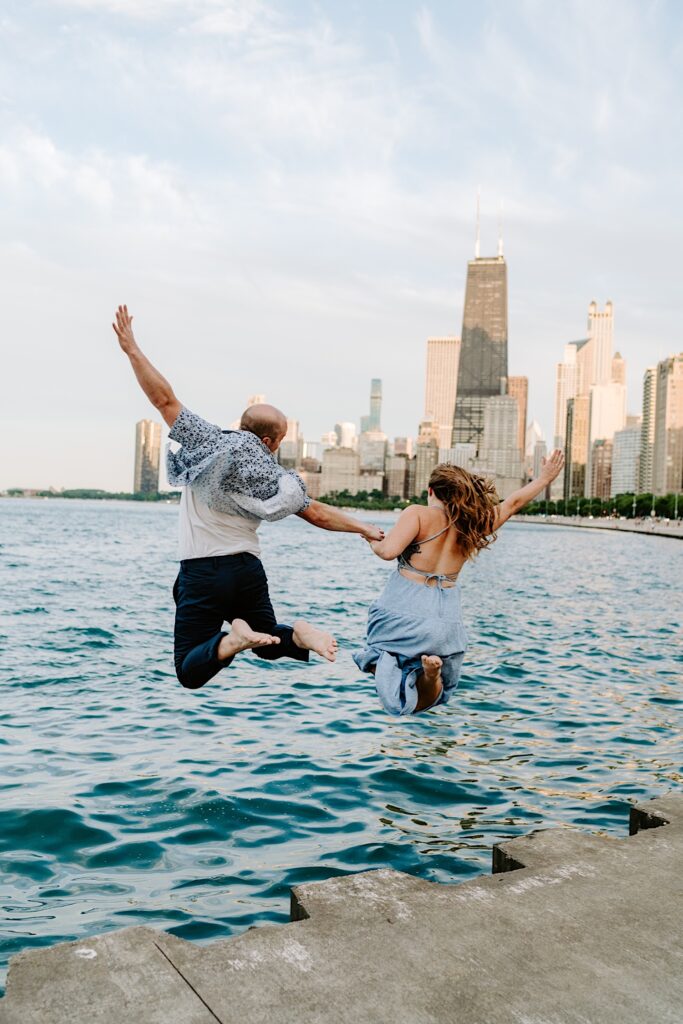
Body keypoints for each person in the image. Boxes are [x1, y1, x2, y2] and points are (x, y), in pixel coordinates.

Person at [112, 305, 383, 690]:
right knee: (269, 640)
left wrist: (132, 350)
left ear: (243, 426)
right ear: (271, 441)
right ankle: (301, 635)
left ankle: (231, 640)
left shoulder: (210, 443)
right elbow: (316, 513)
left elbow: (164, 400)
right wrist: (366, 528)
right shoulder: (275, 477)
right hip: (247, 569)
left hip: (204, 570)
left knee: (189, 670)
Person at [354, 452, 565, 716]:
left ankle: (420, 674)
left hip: (403, 605)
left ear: (431, 491)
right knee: (430, 697)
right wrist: (545, 478)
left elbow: (387, 552)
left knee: (376, 655)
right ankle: (430, 675)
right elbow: (512, 503)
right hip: (445, 618)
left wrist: (370, 538)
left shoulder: (419, 514)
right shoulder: (473, 524)